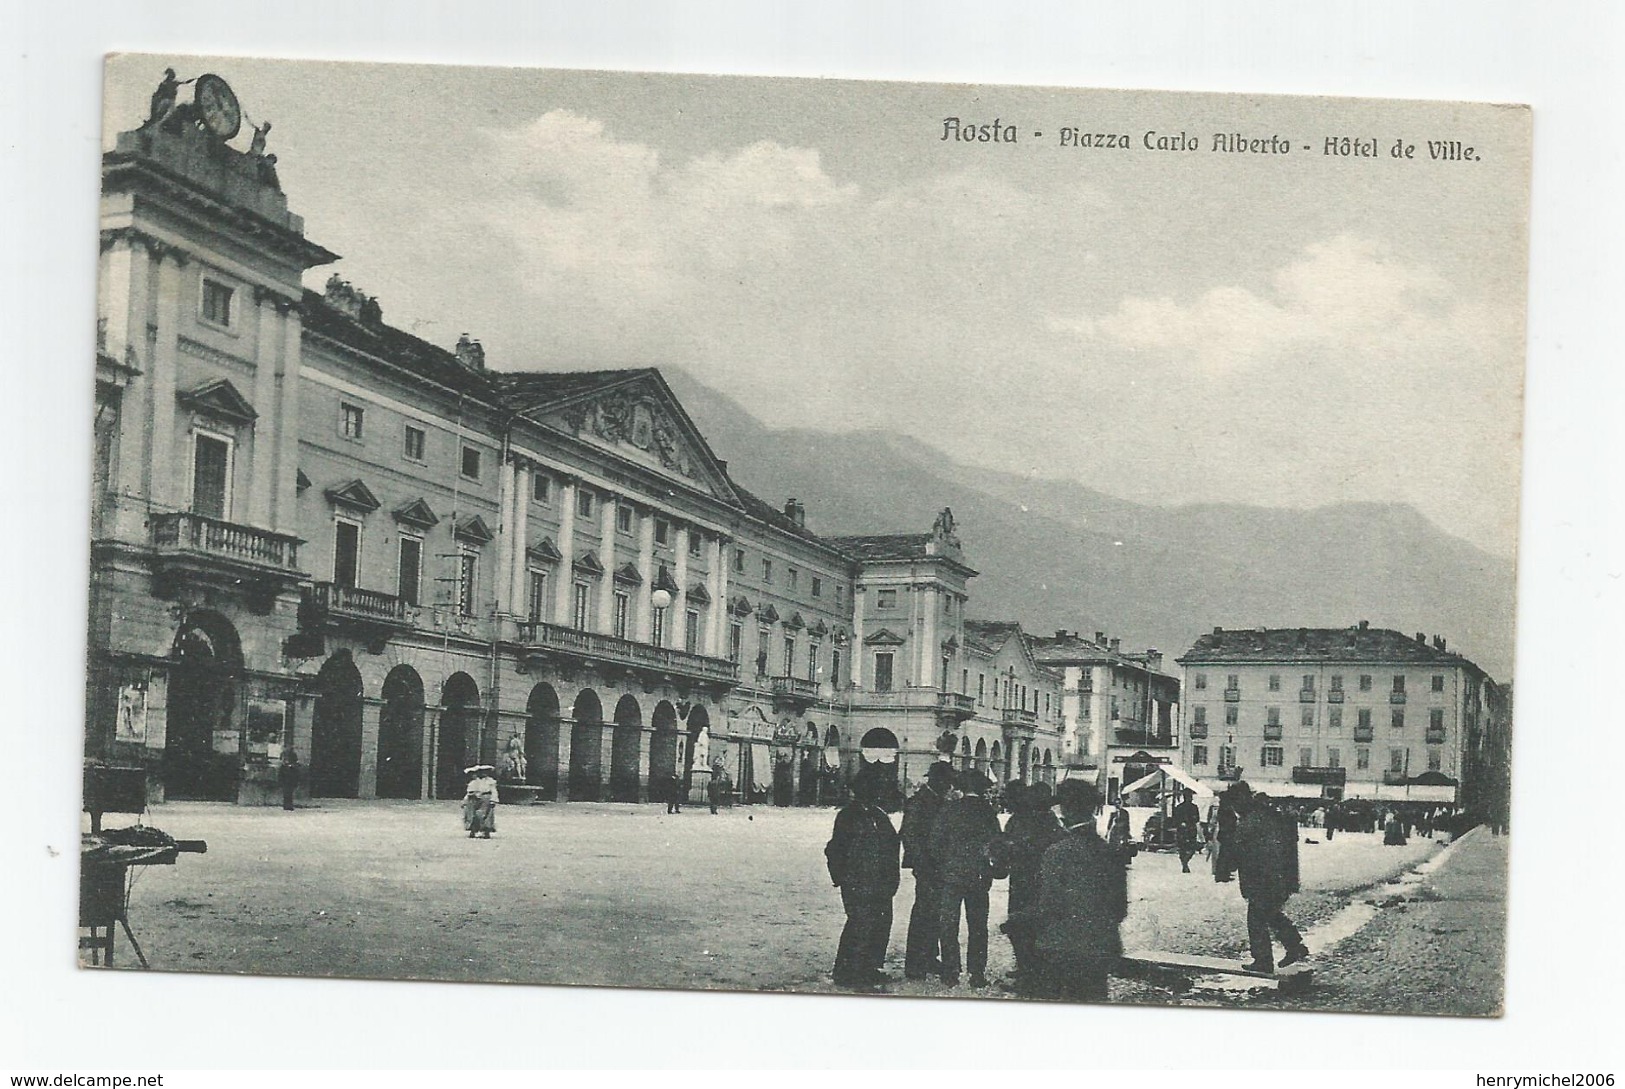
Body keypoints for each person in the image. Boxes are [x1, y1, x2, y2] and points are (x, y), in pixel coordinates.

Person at [1008, 778, 1127, 1002]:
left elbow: (1050, 905)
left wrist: (1019, 919)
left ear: (1065, 811)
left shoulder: (1058, 852)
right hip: (1100, 947)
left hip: (1062, 948)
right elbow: (1119, 909)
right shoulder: (1110, 852)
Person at [824, 771, 901, 989]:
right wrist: (842, 877)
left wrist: (891, 878)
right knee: (860, 924)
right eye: (871, 790)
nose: (875, 794)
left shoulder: (879, 816)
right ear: (860, 792)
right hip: (858, 882)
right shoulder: (848, 816)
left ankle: (869, 967)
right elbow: (835, 849)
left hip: (880, 883)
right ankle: (848, 971)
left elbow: (892, 845)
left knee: (880, 924)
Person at [929, 769, 1001, 988]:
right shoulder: (988, 812)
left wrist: (945, 864)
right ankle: (977, 973)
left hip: (952, 876)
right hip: (979, 877)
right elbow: (997, 844)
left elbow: (935, 842)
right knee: (978, 925)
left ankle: (951, 972)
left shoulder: (950, 809)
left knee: (949, 925)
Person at [1229, 783, 1308, 973]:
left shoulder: (1252, 821)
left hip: (1264, 880)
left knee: (1256, 919)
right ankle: (1295, 946)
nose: (1235, 808)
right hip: (1274, 878)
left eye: (1235, 803)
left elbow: (1243, 852)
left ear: (1242, 800)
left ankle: (1264, 961)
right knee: (1271, 915)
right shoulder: (1264, 816)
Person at [997, 780, 1064, 983]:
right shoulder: (1034, 820)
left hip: (1030, 881)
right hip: (1026, 880)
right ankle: (1026, 966)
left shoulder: (1043, 822)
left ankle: (1031, 969)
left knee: (1027, 925)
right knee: (1021, 925)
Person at [900, 762, 954, 980]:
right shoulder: (920, 802)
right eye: (946, 781)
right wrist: (923, 865)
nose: (949, 785)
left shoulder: (938, 800)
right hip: (927, 867)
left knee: (934, 913)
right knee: (924, 913)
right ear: (936, 780)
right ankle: (915, 963)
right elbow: (909, 835)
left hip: (938, 866)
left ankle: (929, 957)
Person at [463, 765, 498, 839]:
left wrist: (493, 800)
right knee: (472, 815)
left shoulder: (490, 781)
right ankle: (473, 830)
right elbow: (469, 792)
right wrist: (465, 801)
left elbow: (494, 791)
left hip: (486, 798)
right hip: (474, 799)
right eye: (482, 772)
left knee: (485, 815)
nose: (484, 774)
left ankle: (486, 831)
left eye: (486, 772)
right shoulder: (475, 781)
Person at [1172, 787, 1202, 873]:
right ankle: (1185, 863)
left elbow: (1175, 819)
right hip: (1188, 829)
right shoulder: (1191, 807)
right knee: (1187, 848)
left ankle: (1184, 863)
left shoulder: (1180, 807)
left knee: (1185, 848)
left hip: (1185, 829)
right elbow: (1196, 819)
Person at [1107, 798, 1135, 866]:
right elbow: (1110, 823)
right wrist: (1107, 832)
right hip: (1116, 830)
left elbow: (1127, 822)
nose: (1117, 805)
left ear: (1121, 804)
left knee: (1124, 846)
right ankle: (1114, 860)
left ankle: (1124, 861)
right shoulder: (1113, 813)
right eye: (1116, 804)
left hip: (1123, 830)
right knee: (1114, 845)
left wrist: (1128, 832)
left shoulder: (1125, 812)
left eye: (1119, 803)